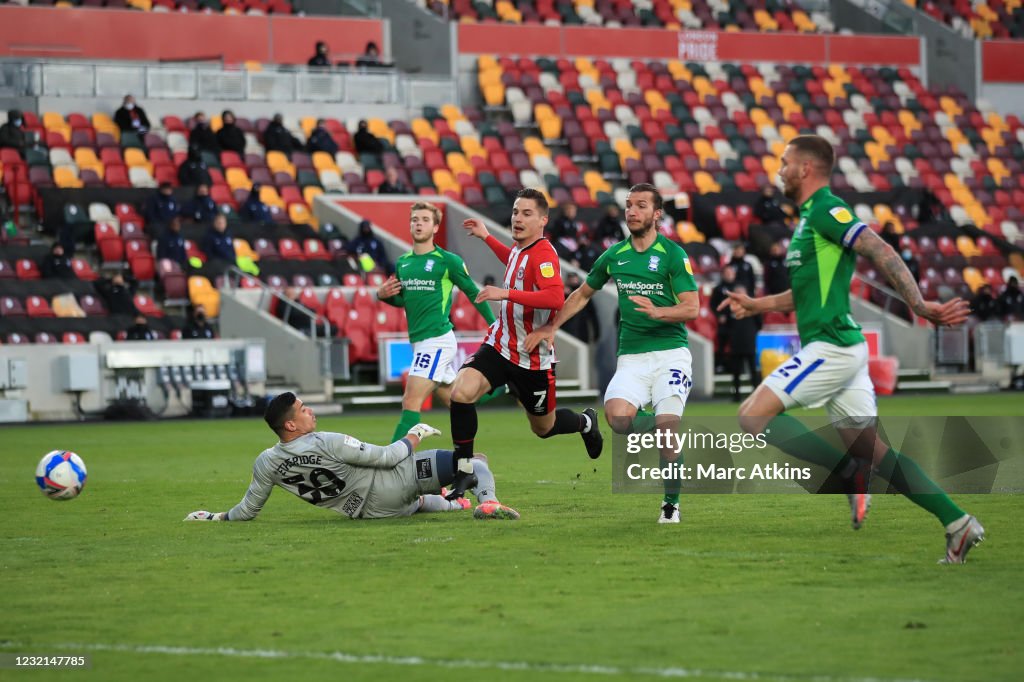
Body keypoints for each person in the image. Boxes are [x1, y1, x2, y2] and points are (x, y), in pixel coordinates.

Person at [717, 134, 981, 563]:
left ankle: (847, 473)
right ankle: (958, 524)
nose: (779, 170)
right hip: (844, 350)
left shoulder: (826, 210)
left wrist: (918, 304)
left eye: (785, 163)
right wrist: (757, 304)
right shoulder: (806, 220)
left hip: (833, 347)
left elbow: (879, 247)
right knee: (878, 455)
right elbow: (803, 294)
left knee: (752, 416)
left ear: (805, 169)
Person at [524, 183, 698, 523]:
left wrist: (659, 312)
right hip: (632, 358)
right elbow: (583, 293)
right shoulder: (615, 255)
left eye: (641, 205)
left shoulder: (673, 255)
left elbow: (692, 307)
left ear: (657, 214)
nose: (632, 211)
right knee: (617, 420)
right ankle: (666, 430)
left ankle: (671, 504)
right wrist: (551, 326)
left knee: (666, 430)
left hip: (671, 355)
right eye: (629, 204)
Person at [446, 188, 604, 498]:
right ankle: (463, 471)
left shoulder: (544, 254)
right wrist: (487, 237)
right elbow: (514, 260)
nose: (518, 218)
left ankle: (586, 422)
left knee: (543, 428)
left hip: (531, 357)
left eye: (526, 213)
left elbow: (554, 296)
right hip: (501, 344)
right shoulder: (521, 248)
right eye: (516, 212)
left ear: (543, 220)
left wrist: (504, 293)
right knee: (461, 392)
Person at [183, 392, 519, 522]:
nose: (309, 410)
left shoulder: (266, 462)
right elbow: (388, 457)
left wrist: (214, 517)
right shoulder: (325, 441)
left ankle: (453, 502)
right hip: (390, 483)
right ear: (290, 424)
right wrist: (415, 434)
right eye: (303, 409)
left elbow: (248, 510)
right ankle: (487, 501)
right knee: (474, 461)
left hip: (369, 513)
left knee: (416, 501)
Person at [376, 202, 498, 442]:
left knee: (411, 401)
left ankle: (391, 463)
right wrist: (382, 297)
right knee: (458, 399)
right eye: (414, 219)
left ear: (435, 227)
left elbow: (473, 293)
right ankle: (500, 387)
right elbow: (404, 301)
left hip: (437, 340)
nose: (418, 223)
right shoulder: (403, 263)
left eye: (424, 219)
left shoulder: (447, 261)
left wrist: (494, 325)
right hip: (419, 342)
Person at [726, 284, 761, 402]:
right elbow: (726, 324)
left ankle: (756, 394)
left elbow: (759, 322)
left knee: (752, 369)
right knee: (736, 371)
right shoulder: (730, 307)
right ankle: (736, 396)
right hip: (736, 342)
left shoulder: (752, 306)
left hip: (749, 342)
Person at [709, 265, 737, 372]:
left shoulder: (739, 287)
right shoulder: (718, 288)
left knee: (736, 345)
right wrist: (719, 315)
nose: (729, 275)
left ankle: (735, 366)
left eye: (731, 273)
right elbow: (712, 304)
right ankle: (719, 365)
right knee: (722, 344)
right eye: (727, 273)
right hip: (724, 323)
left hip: (737, 322)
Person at [559, 271, 599, 344]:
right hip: (566, 327)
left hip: (580, 329)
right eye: (571, 279)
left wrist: (596, 332)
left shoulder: (585, 295)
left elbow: (592, 314)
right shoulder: (563, 293)